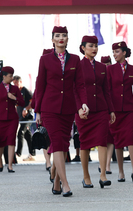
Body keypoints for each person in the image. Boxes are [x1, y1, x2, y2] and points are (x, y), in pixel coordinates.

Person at [35, 26, 89, 197]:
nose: (61, 38)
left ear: (67, 39)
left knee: (64, 145)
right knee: (57, 143)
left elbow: (79, 85)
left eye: (64, 35)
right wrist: (37, 111)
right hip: (49, 108)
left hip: (68, 109)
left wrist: (83, 104)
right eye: (57, 36)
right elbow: (40, 85)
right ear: (52, 40)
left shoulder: (75, 60)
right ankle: (66, 184)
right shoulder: (44, 60)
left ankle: (56, 181)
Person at [75, 36, 116, 189]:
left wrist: (111, 110)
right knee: (84, 144)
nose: (94, 48)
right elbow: (75, 90)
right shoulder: (77, 66)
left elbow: (106, 91)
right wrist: (79, 108)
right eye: (91, 46)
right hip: (84, 112)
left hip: (101, 110)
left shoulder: (102, 67)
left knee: (102, 141)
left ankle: (103, 175)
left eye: (96, 46)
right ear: (83, 47)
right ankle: (86, 177)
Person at [107, 41, 133, 182]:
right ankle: (121, 172)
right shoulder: (110, 69)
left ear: (124, 52)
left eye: (117, 51)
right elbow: (108, 91)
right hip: (115, 111)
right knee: (118, 140)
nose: (115, 54)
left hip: (129, 110)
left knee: (130, 138)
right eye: (113, 52)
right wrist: (110, 110)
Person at [0, 66, 25, 173]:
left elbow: (22, 102)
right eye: (10, 76)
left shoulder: (14, 89)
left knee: (11, 141)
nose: (12, 78)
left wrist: (14, 98)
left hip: (12, 119)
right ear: (4, 76)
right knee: (0, 142)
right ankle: (0, 160)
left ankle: (10, 165)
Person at [12, 75, 36, 161]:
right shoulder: (15, 93)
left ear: (20, 82)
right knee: (28, 135)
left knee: (20, 133)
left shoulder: (25, 91)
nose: (15, 84)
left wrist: (26, 109)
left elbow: (33, 102)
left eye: (16, 83)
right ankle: (32, 154)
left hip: (28, 117)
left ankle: (18, 153)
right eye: (13, 83)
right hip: (20, 118)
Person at [100, 55, 116, 173]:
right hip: (101, 108)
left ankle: (107, 165)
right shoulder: (98, 75)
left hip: (113, 108)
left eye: (108, 63)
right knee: (102, 138)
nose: (106, 66)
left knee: (111, 138)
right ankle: (103, 163)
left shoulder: (115, 74)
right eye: (104, 64)